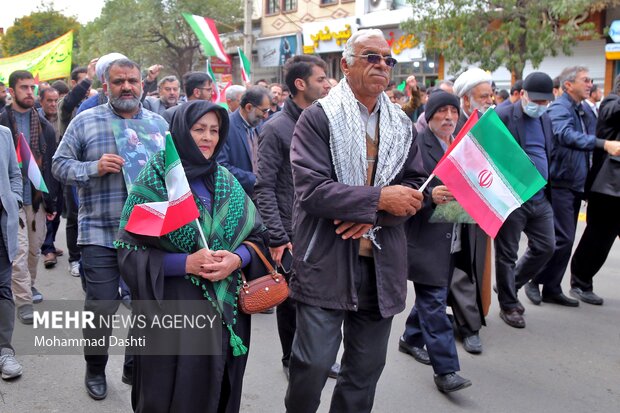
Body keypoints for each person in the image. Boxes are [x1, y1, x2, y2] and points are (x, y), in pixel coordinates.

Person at [284, 29, 426, 413]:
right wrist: (379, 199)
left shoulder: (401, 124)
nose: (382, 65)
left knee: (363, 373)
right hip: (326, 260)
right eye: (371, 57)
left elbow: (414, 189)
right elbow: (312, 191)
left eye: (387, 60)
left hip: (382, 266)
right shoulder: (318, 119)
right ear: (345, 65)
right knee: (311, 365)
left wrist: (372, 216)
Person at [116, 100, 268, 412]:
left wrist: (237, 259)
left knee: (220, 389)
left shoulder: (226, 179)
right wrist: (187, 263)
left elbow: (257, 237)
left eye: (214, 130)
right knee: (171, 393)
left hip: (227, 310)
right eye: (199, 129)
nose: (207, 137)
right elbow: (130, 253)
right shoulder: (157, 178)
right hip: (174, 311)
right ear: (181, 132)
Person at [53, 58, 167, 401]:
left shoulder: (159, 124)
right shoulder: (85, 121)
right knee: (102, 305)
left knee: (146, 305)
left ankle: (134, 365)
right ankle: (95, 367)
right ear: (106, 86)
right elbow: (59, 166)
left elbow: (176, 172)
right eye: (119, 81)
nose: (127, 86)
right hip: (100, 232)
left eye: (133, 80)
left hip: (148, 232)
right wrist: (93, 167)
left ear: (142, 85)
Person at [254, 55, 336, 380]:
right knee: (290, 303)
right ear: (300, 85)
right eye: (320, 79)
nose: (327, 84)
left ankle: (319, 358)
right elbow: (264, 186)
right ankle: (292, 359)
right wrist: (277, 236)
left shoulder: (327, 120)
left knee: (322, 300)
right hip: (290, 233)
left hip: (324, 228)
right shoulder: (275, 129)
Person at [398, 91, 473, 392]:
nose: (448, 118)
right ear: (429, 116)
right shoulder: (416, 143)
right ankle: (446, 371)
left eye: (453, 112)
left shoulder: (462, 145)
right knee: (434, 301)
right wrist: (429, 196)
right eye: (441, 112)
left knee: (434, 296)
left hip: (453, 233)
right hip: (424, 237)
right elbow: (401, 183)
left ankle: (409, 338)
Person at [534, 67, 620, 307]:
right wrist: (603, 144)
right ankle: (532, 279)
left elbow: (594, 134)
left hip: (577, 182)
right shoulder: (561, 108)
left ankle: (551, 287)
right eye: (585, 80)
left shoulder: (584, 110)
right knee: (561, 238)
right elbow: (564, 134)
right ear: (568, 85)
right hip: (562, 180)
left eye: (591, 80)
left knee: (565, 239)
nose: (590, 84)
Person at [494, 72, 567, 329]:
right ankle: (509, 305)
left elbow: (548, 150)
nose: (540, 106)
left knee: (547, 246)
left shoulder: (545, 119)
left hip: (540, 196)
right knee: (507, 254)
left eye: (545, 102)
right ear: (522, 94)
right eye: (536, 100)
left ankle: (509, 284)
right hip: (513, 198)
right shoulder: (503, 116)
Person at [0, 70, 59, 324]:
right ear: (12, 91)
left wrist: (52, 202)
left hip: (36, 198)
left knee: (34, 248)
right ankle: (23, 300)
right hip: (10, 200)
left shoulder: (44, 125)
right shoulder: (3, 123)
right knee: (19, 251)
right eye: (23, 88)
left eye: (31, 88)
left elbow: (51, 168)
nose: (29, 93)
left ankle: (29, 285)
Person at [570, 74, 620, 304]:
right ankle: (580, 282)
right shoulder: (610, 103)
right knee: (597, 237)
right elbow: (611, 113)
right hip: (606, 187)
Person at [217, 86, 271, 196]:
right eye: (264, 111)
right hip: (238, 195)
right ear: (249, 107)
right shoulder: (226, 126)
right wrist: (254, 179)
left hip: (261, 195)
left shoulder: (259, 124)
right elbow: (221, 166)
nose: (266, 116)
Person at [0, 124, 23, 380]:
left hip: (1, 226)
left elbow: (14, 174)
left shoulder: (4, 134)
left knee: (3, 288)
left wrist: (14, 199)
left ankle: (4, 350)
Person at [37, 87, 64, 269]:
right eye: (49, 100)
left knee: (58, 211)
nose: (53, 104)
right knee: (48, 209)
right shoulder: (36, 121)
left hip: (61, 171)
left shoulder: (63, 119)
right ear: (41, 101)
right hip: (43, 171)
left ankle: (51, 243)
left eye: (56, 100)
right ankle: (47, 249)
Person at [453, 67, 494, 133]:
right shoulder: (453, 128)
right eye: (484, 96)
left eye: (491, 96)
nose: (490, 101)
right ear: (466, 100)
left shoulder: (491, 124)